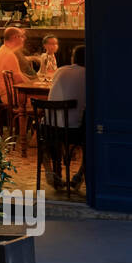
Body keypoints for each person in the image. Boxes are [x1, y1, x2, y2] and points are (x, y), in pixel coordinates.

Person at [47, 45, 87, 186]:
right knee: (93, 133)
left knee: (42, 125)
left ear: (72, 58)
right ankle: (81, 173)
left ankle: (50, 170)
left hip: (50, 129)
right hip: (74, 131)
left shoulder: (60, 71)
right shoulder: (89, 74)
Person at [0, 27, 31, 104]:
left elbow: (19, 75)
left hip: (8, 95)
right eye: (22, 36)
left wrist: (32, 81)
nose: (24, 39)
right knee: (44, 99)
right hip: (13, 96)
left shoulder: (3, 50)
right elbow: (19, 79)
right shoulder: (9, 55)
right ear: (15, 37)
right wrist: (34, 84)